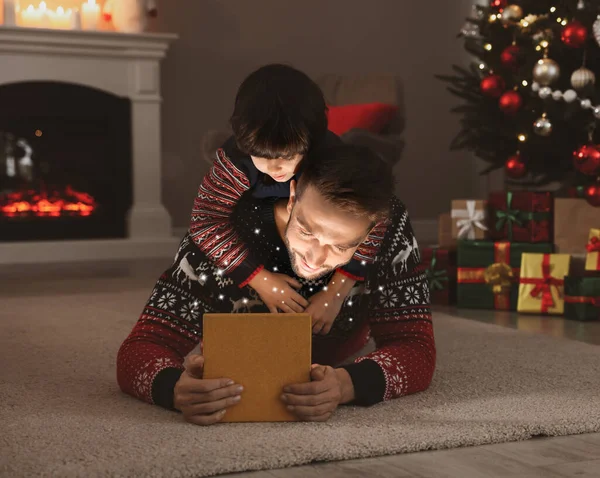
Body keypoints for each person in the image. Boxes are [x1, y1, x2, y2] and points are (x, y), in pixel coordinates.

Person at [117, 143, 435, 425]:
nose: (314, 257)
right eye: (307, 230)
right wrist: (173, 388)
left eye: (340, 247)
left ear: (370, 234)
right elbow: (140, 348)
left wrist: (346, 384)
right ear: (293, 195)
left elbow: (415, 347)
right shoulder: (223, 235)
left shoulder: (390, 230)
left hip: (342, 349)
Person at [190, 63, 388, 335]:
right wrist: (261, 280)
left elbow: (373, 223)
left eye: (287, 156)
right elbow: (205, 222)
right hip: (255, 245)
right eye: (261, 156)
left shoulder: (332, 159)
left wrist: (334, 294)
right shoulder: (234, 163)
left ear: (312, 140)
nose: (275, 169)